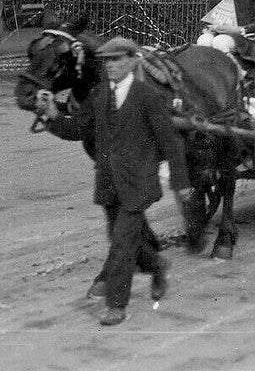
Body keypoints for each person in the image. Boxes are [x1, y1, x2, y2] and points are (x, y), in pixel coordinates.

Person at [45, 37, 191, 326]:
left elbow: (170, 142)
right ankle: (157, 264)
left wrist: (181, 182)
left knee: (123, 243)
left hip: (138, 183)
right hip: (108, 183)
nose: (110, 66)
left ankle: (116, 305)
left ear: (132, 59)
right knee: (120, 238)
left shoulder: (148, 96)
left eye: (116, 60)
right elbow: (78, 129)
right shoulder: (98, 95)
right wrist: (51, 116)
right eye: (106, 61)